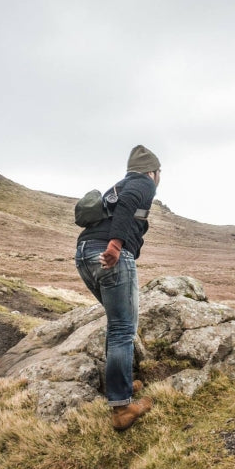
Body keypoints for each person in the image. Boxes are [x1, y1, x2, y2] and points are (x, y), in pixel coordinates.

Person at [75, 145, 161, 431]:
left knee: (116, 326)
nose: (158, 178)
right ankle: (122, 409)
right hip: (108, 255)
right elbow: (127, 207)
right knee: (123, 329)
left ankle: (120, 388)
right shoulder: (143, 183)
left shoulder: (119, 185)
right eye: (159, 173)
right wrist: (115, 245)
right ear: (153, 170)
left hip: (84, 254)